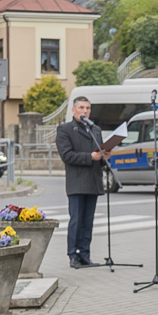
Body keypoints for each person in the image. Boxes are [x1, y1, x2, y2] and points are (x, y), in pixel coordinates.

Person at [54, 96, 107, 268]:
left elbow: (99, 154)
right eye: (82, 108)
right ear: (74, 110)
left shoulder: (96, 129)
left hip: (93, 181)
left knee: (88, 221)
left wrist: (104, 157)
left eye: (88, 108)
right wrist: (90, 157)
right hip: (77, 182)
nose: (85, 111)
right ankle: (73, 255)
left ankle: (85, 254)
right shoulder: (65, 129)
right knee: (76, 220)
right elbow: (67, 156)